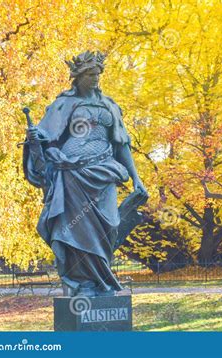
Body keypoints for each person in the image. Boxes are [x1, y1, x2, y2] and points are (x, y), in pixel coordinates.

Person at [23, 50, 148, 297]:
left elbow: (122, 144)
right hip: (73, 173)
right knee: (76, 229)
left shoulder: (110, 105)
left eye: (98, 74)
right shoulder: (63, 104)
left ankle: (102, 281)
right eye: (90, 74)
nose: (95, 79)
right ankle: (84, 284)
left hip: (104, 171)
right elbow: (46, 139)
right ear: (77, 77)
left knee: (109, 226)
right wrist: (35, 140)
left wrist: (137, 177)